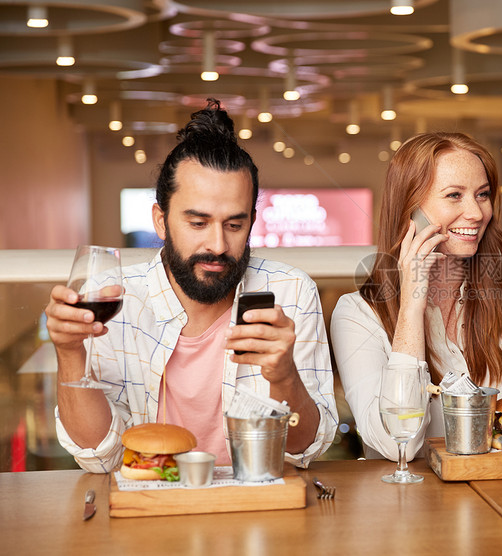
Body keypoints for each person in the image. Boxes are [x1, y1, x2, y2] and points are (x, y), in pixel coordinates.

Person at [46, 99, 337, 470]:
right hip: (151, 507)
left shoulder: (291, 292)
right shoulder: (115, 298)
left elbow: (304, 451)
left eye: (234, 225)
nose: (217, 245)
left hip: (257, 510)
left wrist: (284, 378)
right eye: (198, 223)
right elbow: (100, 457)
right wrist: (71, 353)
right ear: (161, 220)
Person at [330, 132, 502, 461]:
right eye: (454, 195)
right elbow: (397, 444)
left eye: (482, 194)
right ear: (411, 210)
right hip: (409, 505)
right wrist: (412, 305)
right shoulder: (357, 314)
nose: (475, 212)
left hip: (501, 490)